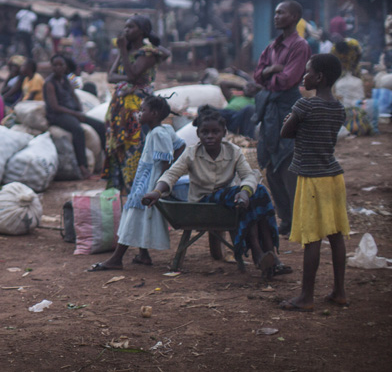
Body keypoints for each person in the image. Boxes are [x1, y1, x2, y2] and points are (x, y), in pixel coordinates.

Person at [142, 109, 289, 278]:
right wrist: (156, 191)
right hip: (204, 203)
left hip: (232, 203)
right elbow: (171, 175)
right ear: (198, 134)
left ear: (223, 133)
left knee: (257, 193)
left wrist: (245, 193)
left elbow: (248, 175)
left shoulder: (233, 151)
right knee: (251, 194)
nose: (210, 136)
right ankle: (259, 253)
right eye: (205, 132)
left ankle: (269, 255)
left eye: (215, 132)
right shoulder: (191, 153)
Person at [278, 54, 349, 312]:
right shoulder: (338, 108)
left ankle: (306, 297)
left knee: (312, 238)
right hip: (333, 177)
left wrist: (291, 120)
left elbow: (286, 132)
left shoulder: (304, 105)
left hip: (311, 179)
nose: (303, 76)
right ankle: (339, 291)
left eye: (307, 72)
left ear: (319, 77)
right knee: (336, 235)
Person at [88, 95, 175, 271]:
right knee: (138, 218)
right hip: (145, 181)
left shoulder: (158, 133)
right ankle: (143, 255)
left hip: (148, 185)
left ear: (155, 113)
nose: (138, 114)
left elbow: (165, 161)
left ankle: (116, 259)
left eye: (143, 110)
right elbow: (178, 146)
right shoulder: (161, 130)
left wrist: (159, 185)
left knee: (132, 219)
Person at [254, 0, 311, 236]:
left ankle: (298, 221)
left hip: (287, 106)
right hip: (270, 111)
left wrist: (270, 76)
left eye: (281, 12)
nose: (276, 16)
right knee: (271, 166)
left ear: (295, 16)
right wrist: (270, 71)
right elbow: (258, 75)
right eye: (275, 12)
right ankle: (285, 219)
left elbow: (289, 79)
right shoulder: (272, 46)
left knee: (288, 162)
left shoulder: (300, 46)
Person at [104, 14, 167, 193]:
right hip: (120, 105)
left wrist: (123, 51)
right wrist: (124, 54)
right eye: (125, 27)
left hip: (139, 106)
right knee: (118, 145)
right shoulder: (129, 50)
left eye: (130, 27)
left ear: (142, 31)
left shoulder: (148, 53)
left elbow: (132, 76)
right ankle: (121, 188)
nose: (126, 31)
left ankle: (138, 188)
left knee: (136, 144)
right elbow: (110, 76)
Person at [44, 54, 106, 179]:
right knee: (78, 130)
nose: (58, 68)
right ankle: (83, 167)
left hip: (72, 112)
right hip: (58, 115)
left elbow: (74, 96)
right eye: (55, 65)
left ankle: (106, 162)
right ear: (52, 67)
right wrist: (75, 114)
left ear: (65, 67)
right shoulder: (49, 83)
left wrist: (79, 111)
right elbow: (55, 106)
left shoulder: (66, 80)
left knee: (101, 126)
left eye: (61, 65)